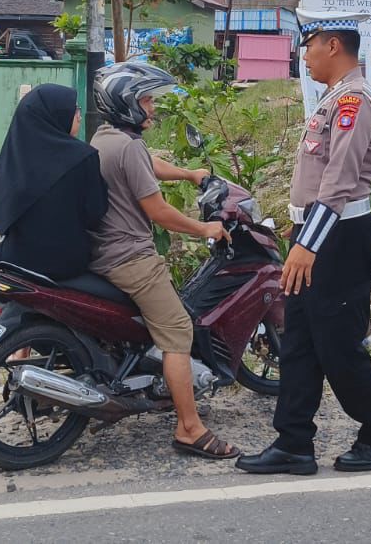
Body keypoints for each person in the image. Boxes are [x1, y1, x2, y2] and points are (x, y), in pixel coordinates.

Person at [237, 10, 371, 476]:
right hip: (312, 234)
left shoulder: (354, 101)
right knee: (300, 341)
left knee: (337, 344)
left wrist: (306, 245)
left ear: (332, 45)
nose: (303, 54)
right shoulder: (334, 98)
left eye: (308, 45)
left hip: (335, 239)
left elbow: (339, 181)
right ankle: (293, 442)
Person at [90, 63, 238, 460]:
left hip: (103, 254)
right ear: (127, 104)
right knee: (177, 331)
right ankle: (190, 428)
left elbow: (147, 166)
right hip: (131, 258)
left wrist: (190, 175)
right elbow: (157, 211)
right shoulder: (129, 146)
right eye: (147, 100)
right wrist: (202, 229)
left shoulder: (106, 139)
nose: (152, 107)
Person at [0, 84, 107, 280]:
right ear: (55, 114)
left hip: (13, 259)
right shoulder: (83, 157)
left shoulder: (12, 157)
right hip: (64, 264)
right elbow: (95, 214)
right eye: (75, 109)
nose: (79, 116)